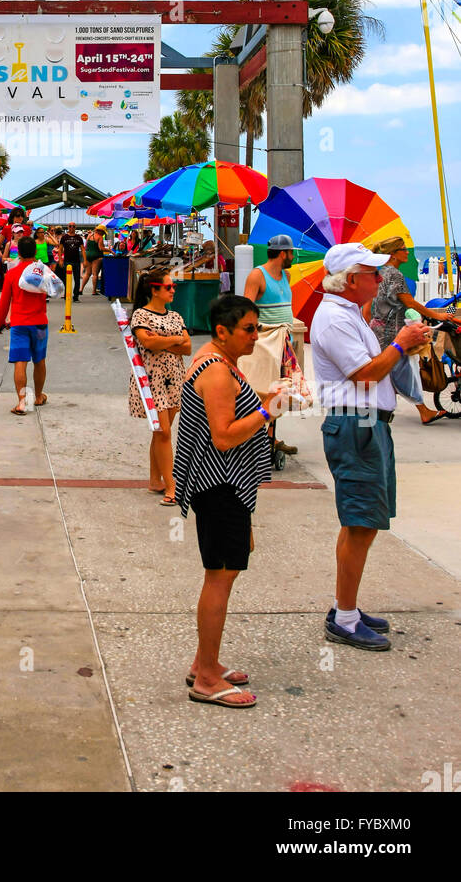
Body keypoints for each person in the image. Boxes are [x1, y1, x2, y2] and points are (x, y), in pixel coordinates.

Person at [310, 243, 432, 651]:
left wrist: (400, 347)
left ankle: (346, 608)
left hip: (365, 424)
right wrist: (399, 344)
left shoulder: (345, 314)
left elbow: (367, 368)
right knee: (361, 520)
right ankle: (344, 617)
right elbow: (363, 375)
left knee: (362, 520)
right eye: (372, 273)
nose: (380, 280)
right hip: (357, 424)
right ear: (350, 280)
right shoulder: (334, 318)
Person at [174, 295, 280, 709]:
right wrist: (271, 411)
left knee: (224, 572)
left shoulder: (214, 358)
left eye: (256, 327)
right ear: (223, 331)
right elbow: (224, 436)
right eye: (248, 329)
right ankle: (205, 679)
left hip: (219, 485)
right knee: (220, 575)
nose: (256, 336)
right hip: (219, 485)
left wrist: (267, 395)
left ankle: (207, 662)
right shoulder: (217, 371)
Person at [368, 236, 454, 425]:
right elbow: (409, 302)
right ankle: (423, 411)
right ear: (393, 254)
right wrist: (438, 316)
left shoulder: (379, 272)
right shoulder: (394, 275)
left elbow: (369, 304)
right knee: (405, 369)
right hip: (393, 331)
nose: (407, 252)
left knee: (389, 369)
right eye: (403, 249)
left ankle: (382, 406)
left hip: (378, 329)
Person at [129, 265, 191, 505]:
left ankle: (155, 479)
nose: (173, 290)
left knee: (161, 432)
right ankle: (172, 486)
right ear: (154, 290)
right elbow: (147, 342)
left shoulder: (175, 316)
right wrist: (175, 340)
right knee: (163, 432)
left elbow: (187, 348)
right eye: (168, 287)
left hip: (175, 378)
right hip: (152, 380)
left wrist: (162, 341)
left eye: (173, 286)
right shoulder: (141, 315)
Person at [243, 233, 299, 456]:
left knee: (282, 392)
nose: (293, 256)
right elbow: (246, 310)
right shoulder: (258, 275)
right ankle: (258, 438)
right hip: (265, 344)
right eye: (291, 252)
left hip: (285, 345)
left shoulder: (286, 275)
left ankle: (271, 439)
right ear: (283, 253)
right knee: (262, 391)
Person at [0, 235, 49, 415]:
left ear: (18, 253)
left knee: (21, 361)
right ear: (35, 251)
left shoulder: (12, 274)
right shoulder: (43, 271)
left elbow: (4, 302)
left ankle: (22, 402)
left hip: (19, 324)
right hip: (40, 324)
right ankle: (38, 396)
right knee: (39, 360)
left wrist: (1, 322)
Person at [56, 221, 85, 303]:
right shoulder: (64, 237)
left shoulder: (79, 238)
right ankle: (66, 294)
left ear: (75, 228)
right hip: (67, 261)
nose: (71, 228)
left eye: (73, 226)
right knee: (66, 279)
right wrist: (60, 260)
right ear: (68, 227)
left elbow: (83, 249)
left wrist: (85, 260)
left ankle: (76, 297)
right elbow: (60, 249)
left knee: (77, 279)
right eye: (70, 226)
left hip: (76, 261)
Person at [81, 227, 105, 296]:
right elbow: (101, 248)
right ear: (100, 231)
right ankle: (94, 291)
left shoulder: (89, 235)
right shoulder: (100, 237)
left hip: (88, 254)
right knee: (95, 274)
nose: (103, 234)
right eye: (103, 232)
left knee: (87, 273)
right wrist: (110, 250)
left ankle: (81, 289)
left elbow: (86, 246)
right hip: (96, 256)